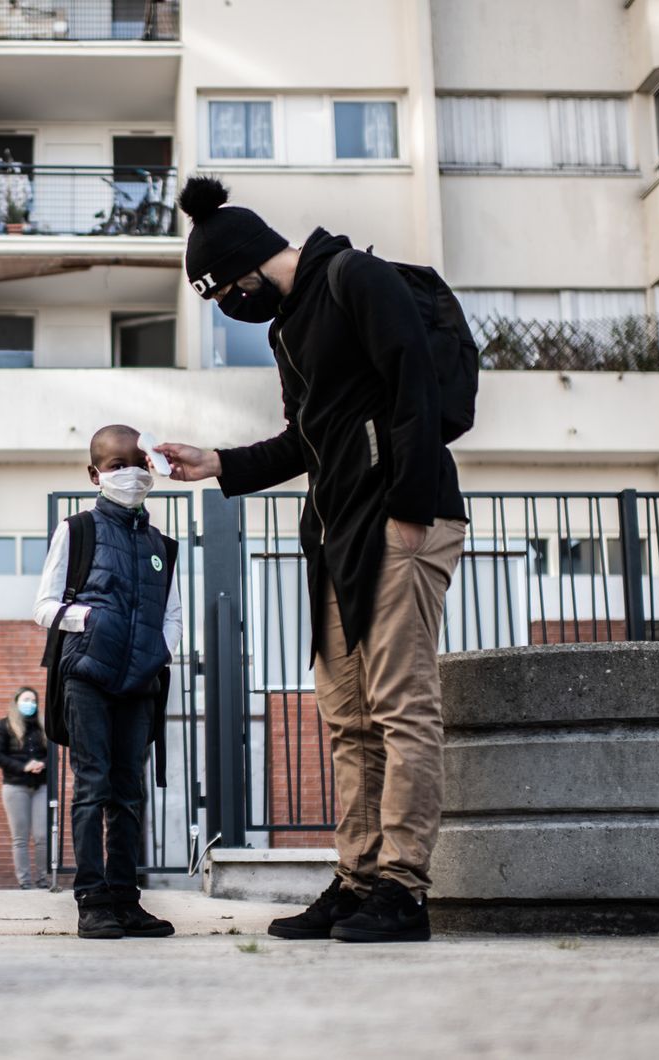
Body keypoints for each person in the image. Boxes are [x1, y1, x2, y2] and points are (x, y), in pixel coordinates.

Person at [157, 176, 467, 944]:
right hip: (333, 534)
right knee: (348, 720)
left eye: (231, 287)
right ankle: (358, 879)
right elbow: (307, 440)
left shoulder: (354, 278)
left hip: (397, 520)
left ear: (252, 259)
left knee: (401, 708)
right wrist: (217, 463)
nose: (232, 302)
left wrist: (409, 511)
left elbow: (415, 390)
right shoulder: (284, 330)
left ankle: (402, 890)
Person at [33, 424, 183, 940]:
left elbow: (173, 614)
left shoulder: (164, 545)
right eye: (117, 466)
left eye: (138, 463)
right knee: (93, 787)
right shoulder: (77, 531)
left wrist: (159, 651)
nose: (130, 474)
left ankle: (126, 899)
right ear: (95, 474)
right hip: (87, 679)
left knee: (129, 791)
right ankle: (93, 900)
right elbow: (44, 607)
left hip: (139, 683)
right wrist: (92, 623)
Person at [0, 687, 48, 889]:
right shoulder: (4, 726)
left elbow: (52, 753)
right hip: (15, 787)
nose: (30, 703)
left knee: (42, 836)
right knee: (20, 837)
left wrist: (43, 763)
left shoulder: (43, 727)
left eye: (33, 700)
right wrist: (24, 767)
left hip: (41, 786)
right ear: (16, 702)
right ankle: (25, 883)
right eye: (26, 699)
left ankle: (43, 880)